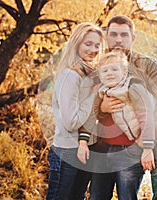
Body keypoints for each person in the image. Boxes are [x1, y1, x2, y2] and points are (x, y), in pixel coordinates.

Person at [98, 15, 157, 199]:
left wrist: (147, 135)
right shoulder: (99, 65)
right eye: (113, 34)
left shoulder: (146, 64)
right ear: (106, 36)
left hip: (146, 136)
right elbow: (87, 104)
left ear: (132, 38)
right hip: (109, 145)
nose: (118, 39)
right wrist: (102, 108)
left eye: (124, 35)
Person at [83, 49, 157, 200]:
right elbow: (90, 116)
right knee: (97, 195)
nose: (109, 73)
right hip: (103, 151)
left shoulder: (133, 87)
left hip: (129, 151)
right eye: (105, 70)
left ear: (124, 73)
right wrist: (83, 141)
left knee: (126, 196)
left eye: (115, 69)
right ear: (100, 76)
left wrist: (148, 148)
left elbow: (147, 116)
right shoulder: (100, 92)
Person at [45, 22, 103, 200]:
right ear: (76, 44)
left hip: (85, 149)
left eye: (97, 45)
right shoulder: (71, 75)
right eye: (88, 44)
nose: (93, 49)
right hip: (67, 150)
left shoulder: (89, 73)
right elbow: (71, 122)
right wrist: (93, 96)